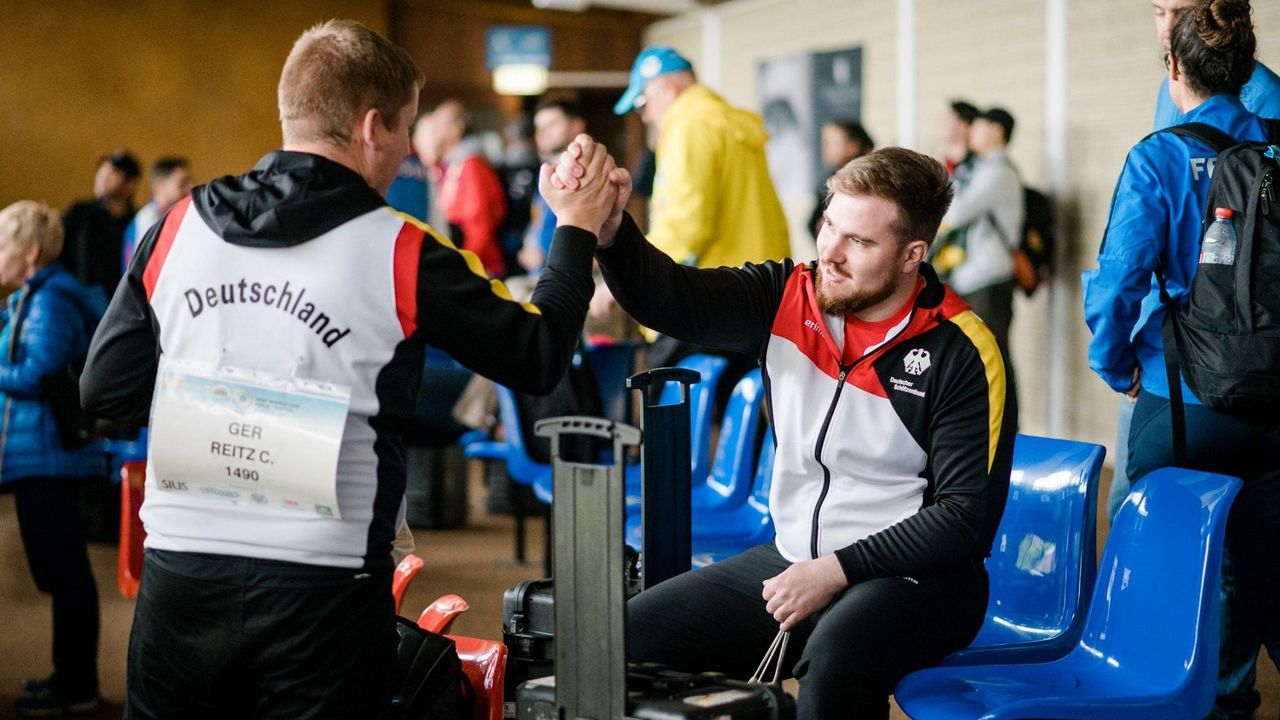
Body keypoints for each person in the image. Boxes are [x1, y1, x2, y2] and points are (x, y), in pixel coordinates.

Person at [80, 20, 609, 718]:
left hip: (179, 574)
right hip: (323, 592)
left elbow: (105, 391)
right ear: (371, 128)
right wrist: (572, 226)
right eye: (406, 132)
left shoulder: (177, 227)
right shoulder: (400, 249)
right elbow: (538, 356)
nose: (404, 155)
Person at [547, 138, 1014, 719]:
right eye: (828, 226)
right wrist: (612, 231)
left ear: (912, 254)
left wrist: (836, 571)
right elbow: (671, 299)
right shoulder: (786, 294)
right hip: (796, 558)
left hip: (919, 580)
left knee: (836, 658)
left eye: (860, 241)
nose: (831, 253)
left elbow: (964, 518)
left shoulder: (963, 350)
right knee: (619, 638)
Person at [1083, 3, 1279, 719]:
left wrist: (1114, 367)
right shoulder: (1278, 145)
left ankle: (1181, 701)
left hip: (1184, 400)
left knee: (1169, 571)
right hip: (1274, 404)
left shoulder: (1159, 156)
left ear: (1173, 68)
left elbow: (1117, 282)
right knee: (1269, 573)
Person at [610, 45, 790, 384]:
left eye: (642, 103)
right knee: (735, 418)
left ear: (665, 89)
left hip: (706, 296)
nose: (645, 116)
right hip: (756, 294)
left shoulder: (689, 128)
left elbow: (686, 224)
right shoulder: (730, 123)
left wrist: (628, 274)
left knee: (669, 419)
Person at [0, 201, 107, 717]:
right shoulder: (31, 297)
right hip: (37, 456)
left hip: (51, 457)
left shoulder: (53, 300)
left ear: (32, 251)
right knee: (61, 575)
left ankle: (78, 688)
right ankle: (68, 678)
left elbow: (36, 373)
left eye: (4, 244)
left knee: (66, 577)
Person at [931, 106, 1023, 406]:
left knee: (995, 354)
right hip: (969, 275)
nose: (971, 133)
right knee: (971, 354)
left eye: (979, 127)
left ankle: (1009, 425)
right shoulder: (978, 169)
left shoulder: (1000, 173)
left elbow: (954, 212)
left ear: (997, 132)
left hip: (989, 277)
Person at [417, 99, 509, 277]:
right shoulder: (454, 165)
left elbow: (479, 226)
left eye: (439, 125)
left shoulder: (472, 166)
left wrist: (462, 268)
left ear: (456, 129)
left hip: (480, 269)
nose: (433, 131)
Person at [518, 96, 588, 274]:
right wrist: (528, 247)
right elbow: (539, 221)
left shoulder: (588, 173)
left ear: (576, 126)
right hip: (542, 277)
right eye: (538, 127)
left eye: (551, 125)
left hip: (570, 281)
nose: (542, 133)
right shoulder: (547, 171)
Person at [61, 149, 141, 295]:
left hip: (118, 306)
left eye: (112, 173)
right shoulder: (79, 213)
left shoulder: (138, 222)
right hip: (77, 302)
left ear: (131, 184)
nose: (102, 178)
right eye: (101, 172)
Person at [122, 156, 193, 269]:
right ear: (160, 186)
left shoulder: (174, 217)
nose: (190, 188)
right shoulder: (147, 220)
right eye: (183, 183)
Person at [808, 120, 874, 238]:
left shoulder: (872, 180)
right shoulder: (829, 179)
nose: (826, 150)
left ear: (854, 145)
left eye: (831, 143)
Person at [935, 99, 979, 179]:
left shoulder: (979, 167)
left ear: (963, 126)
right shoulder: (942, 164)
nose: (939, 123)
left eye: (947, 119)